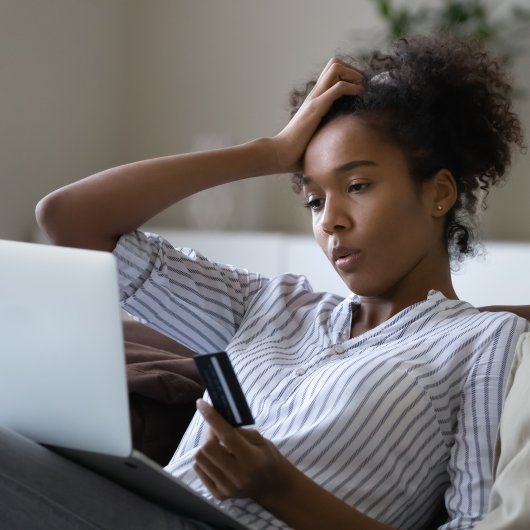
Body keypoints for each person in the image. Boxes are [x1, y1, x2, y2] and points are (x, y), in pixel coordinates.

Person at [22, 33, 530, 529]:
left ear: (439, 193)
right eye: (314, 200)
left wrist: (279, 488)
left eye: (357, 185)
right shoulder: (269, 305)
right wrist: (269, 152)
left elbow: (471, 523)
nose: (330, 220)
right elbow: (69, 220)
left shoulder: (485, 342)